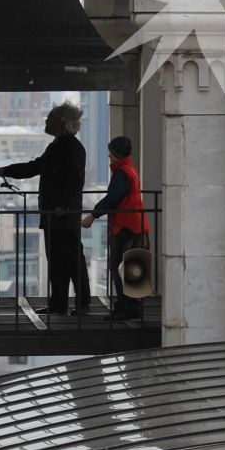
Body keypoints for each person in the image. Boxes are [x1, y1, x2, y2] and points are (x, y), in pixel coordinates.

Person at [0, 100, 89, 316]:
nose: (46, 121)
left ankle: (79, 304)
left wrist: (62, 206)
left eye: (50, 118)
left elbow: (73, 180)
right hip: (56, 215)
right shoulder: (61, 145)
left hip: (61, 215)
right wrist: (7, 170)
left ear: (62, 122)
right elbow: (37, 166)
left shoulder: (67, 147)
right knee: (59, 261)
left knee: (71, 260)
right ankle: (60, 304)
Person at [82, 136, 148, 320]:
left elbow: (113, 198)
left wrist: (93, 215)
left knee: (118, 266)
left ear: (116, 153)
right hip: (137, 223)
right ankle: (134, 306)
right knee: (133, 266)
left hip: (125, 225)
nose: (109, 155)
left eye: (111, 152)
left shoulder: (121, 173)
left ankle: (124, 307)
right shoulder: (131, 170)